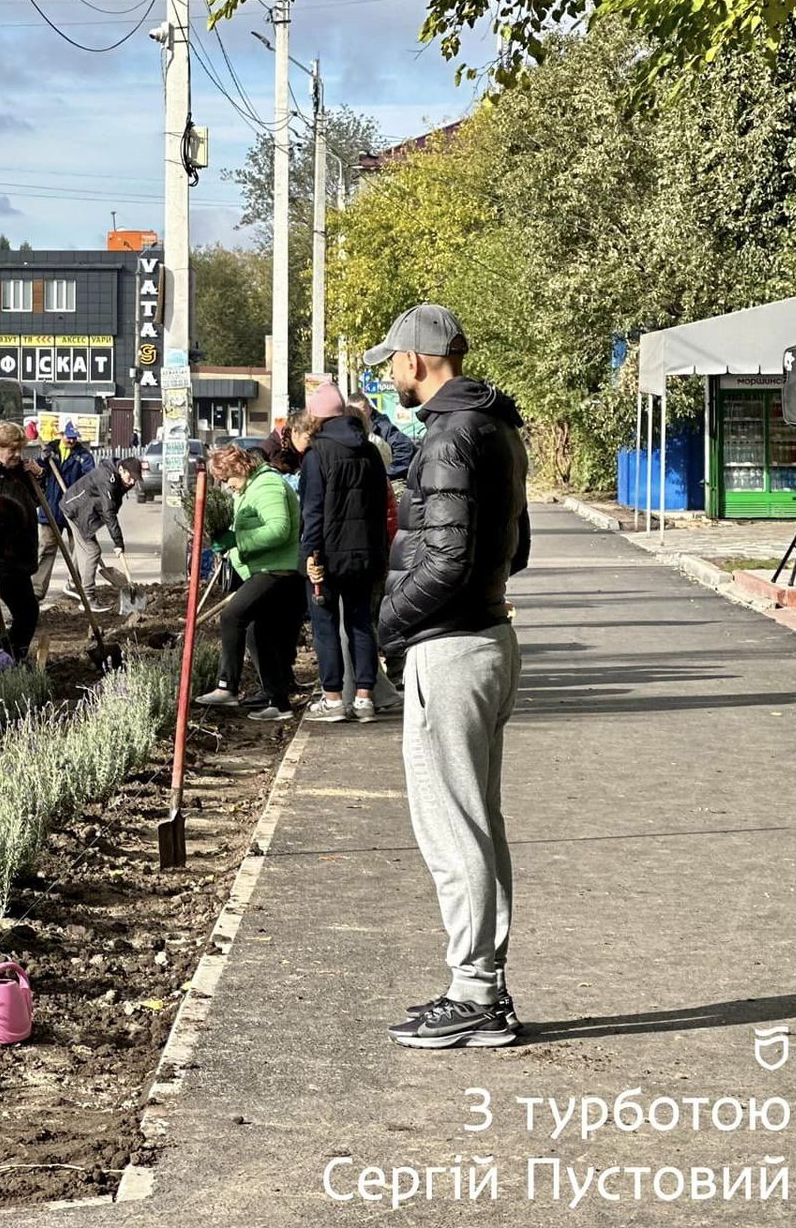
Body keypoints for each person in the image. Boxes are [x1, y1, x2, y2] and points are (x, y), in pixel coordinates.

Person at [366, 305, 531, 1050]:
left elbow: (447, 560)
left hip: (452, 646)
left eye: (390, 362)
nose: (387, 374)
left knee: (451, 823)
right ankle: (481, 988)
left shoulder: (448, 435)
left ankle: (476, 992)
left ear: (418, 361)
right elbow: (512, 550)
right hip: (488, 636)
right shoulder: (496, 426)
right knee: (476, 820)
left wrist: (387, 625)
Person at [297, 382, 388, 725]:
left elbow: (313, 511)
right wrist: (380, 553)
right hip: (365, 554)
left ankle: (333, 698)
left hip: (327, 556)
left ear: (316, 418)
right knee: (361, 622)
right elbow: (381, 506)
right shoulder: (371, 452)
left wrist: (310, 553)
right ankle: (365, 698)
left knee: (325, 626)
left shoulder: (317, 455)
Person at [193, 445, 304, 722]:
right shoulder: (249, 488)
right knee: (258, 634)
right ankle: (279, 704)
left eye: (227, 477)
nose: (227, 485)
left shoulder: (266, 485)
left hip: (277, 570)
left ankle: (227, 687)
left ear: (240, 468)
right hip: (266, 568)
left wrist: (237, 541)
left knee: (232, 616)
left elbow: (279, 529)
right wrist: (228, 539)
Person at [0, 422, 44, 657]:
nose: (17, 455)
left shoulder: (20, 473)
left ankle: (13, 654)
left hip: (20, 557)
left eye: (20, 449)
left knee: (27, 612)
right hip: (0, 559)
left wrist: (39, 475)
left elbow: (36, 500)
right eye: (11, 450)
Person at [58, 456, 144, 602]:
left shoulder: (119, 480)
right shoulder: (107, 479)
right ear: (121, 470)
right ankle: (88, 596)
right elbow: (109, 512)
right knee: (92, 550)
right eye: (130, 478)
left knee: (83, 548)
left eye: (135, 479)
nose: (132, 482)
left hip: (84, 510)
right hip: (75, 510)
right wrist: (118, 543)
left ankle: (73, 583)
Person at [35, 422, 96, 601]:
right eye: (68, 436)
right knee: (46, 548)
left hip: (74, 510)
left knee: (79, 548)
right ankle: (36, 589)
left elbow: (90, 475)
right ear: (61, 434)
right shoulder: (50, 450)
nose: (71, 439)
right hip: (51, 508)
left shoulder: (83, 455)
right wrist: (41, 459)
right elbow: (39, 471)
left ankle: (74, 585)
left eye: (74, 436)